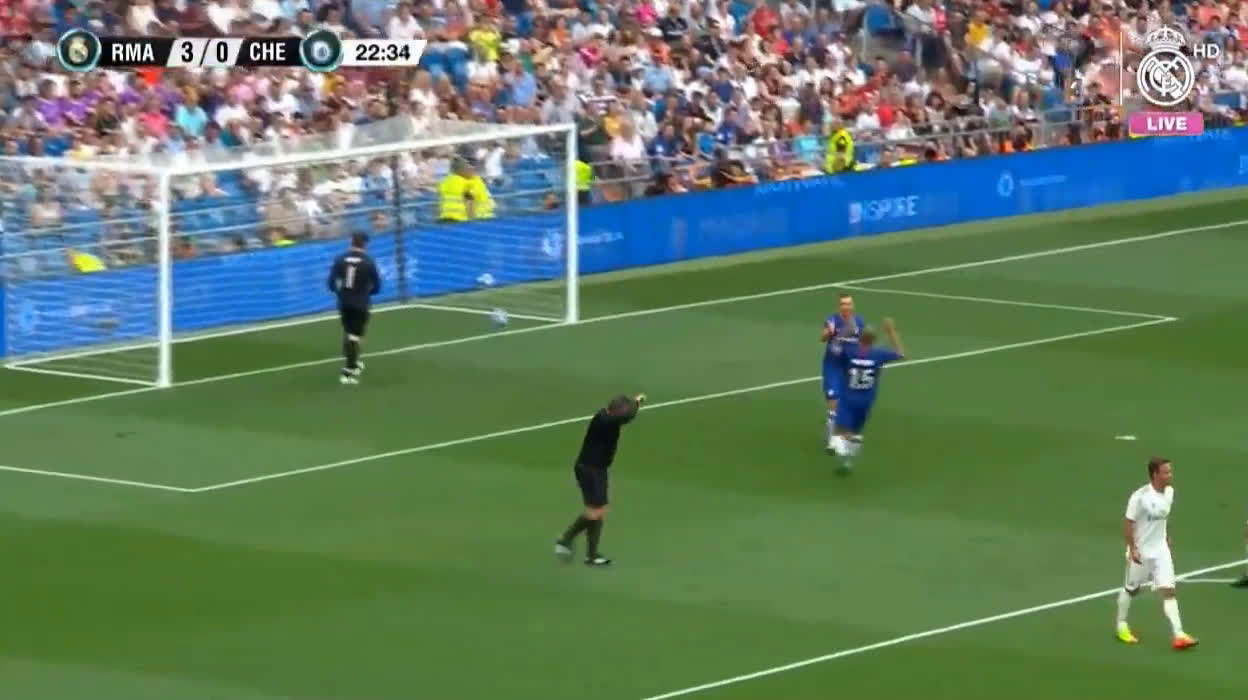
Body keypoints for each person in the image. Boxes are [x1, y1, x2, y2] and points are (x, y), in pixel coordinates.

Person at [555, 393, 646, 567]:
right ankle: (566, 539)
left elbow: (626, 414)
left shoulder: (609, 416)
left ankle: (591, 555)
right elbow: (627, 417)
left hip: (598, 469)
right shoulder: (604, 420)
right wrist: (636, 405)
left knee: (598, 510)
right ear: (616, 411)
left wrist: (635, 403)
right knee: (595, 512)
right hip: (589, 469)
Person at [1116, 457, 1199, 649]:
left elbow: (1163, 517)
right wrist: (1132, 549)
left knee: (1169, 590)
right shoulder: (1140, 497)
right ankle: (1121, 625)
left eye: (1170, 471)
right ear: (1155, 475)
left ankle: (1179, 634)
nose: (1170, 475)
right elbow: (1128, 523)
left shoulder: (1169, 492)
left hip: (1161, 550)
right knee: (1131, 589)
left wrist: (1166, 535)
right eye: (1166, 472)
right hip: (1141, 552)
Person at [825, 318, 905, 469]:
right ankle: (848, 461)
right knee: (855, 431)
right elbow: (901, 353)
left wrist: (845, 331)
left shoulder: (850, 351)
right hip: (867, 399)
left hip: (849, 396)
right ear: (874, 340)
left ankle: (836, 445)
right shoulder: (878, 354)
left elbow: (834, 347)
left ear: (860, 338)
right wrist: (891, 331)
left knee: (840, 425)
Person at [326, 232, 381, 385]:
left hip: (344, 302)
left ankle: (354, 362)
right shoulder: (368, 262)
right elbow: (377, 287)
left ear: (351, 242)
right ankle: (348, 372)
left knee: (349, 332)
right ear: (365, 244)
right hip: (360, 304)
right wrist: (365, 293)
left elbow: (330, 284)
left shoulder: (340, 259)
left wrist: (341, 294)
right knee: (355, 336)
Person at [820, 293, 865, 452]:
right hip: (833, 367)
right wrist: (829, 332)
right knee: (834, 401)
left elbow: (862, 344)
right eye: (843, 304)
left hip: (849, 368)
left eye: (848, 303)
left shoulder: (859, 322)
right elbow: (822, 337)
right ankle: (832, 437)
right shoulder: (832, 319)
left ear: (852, 306)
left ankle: (839, 433)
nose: (845, 306)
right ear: (839, 306)